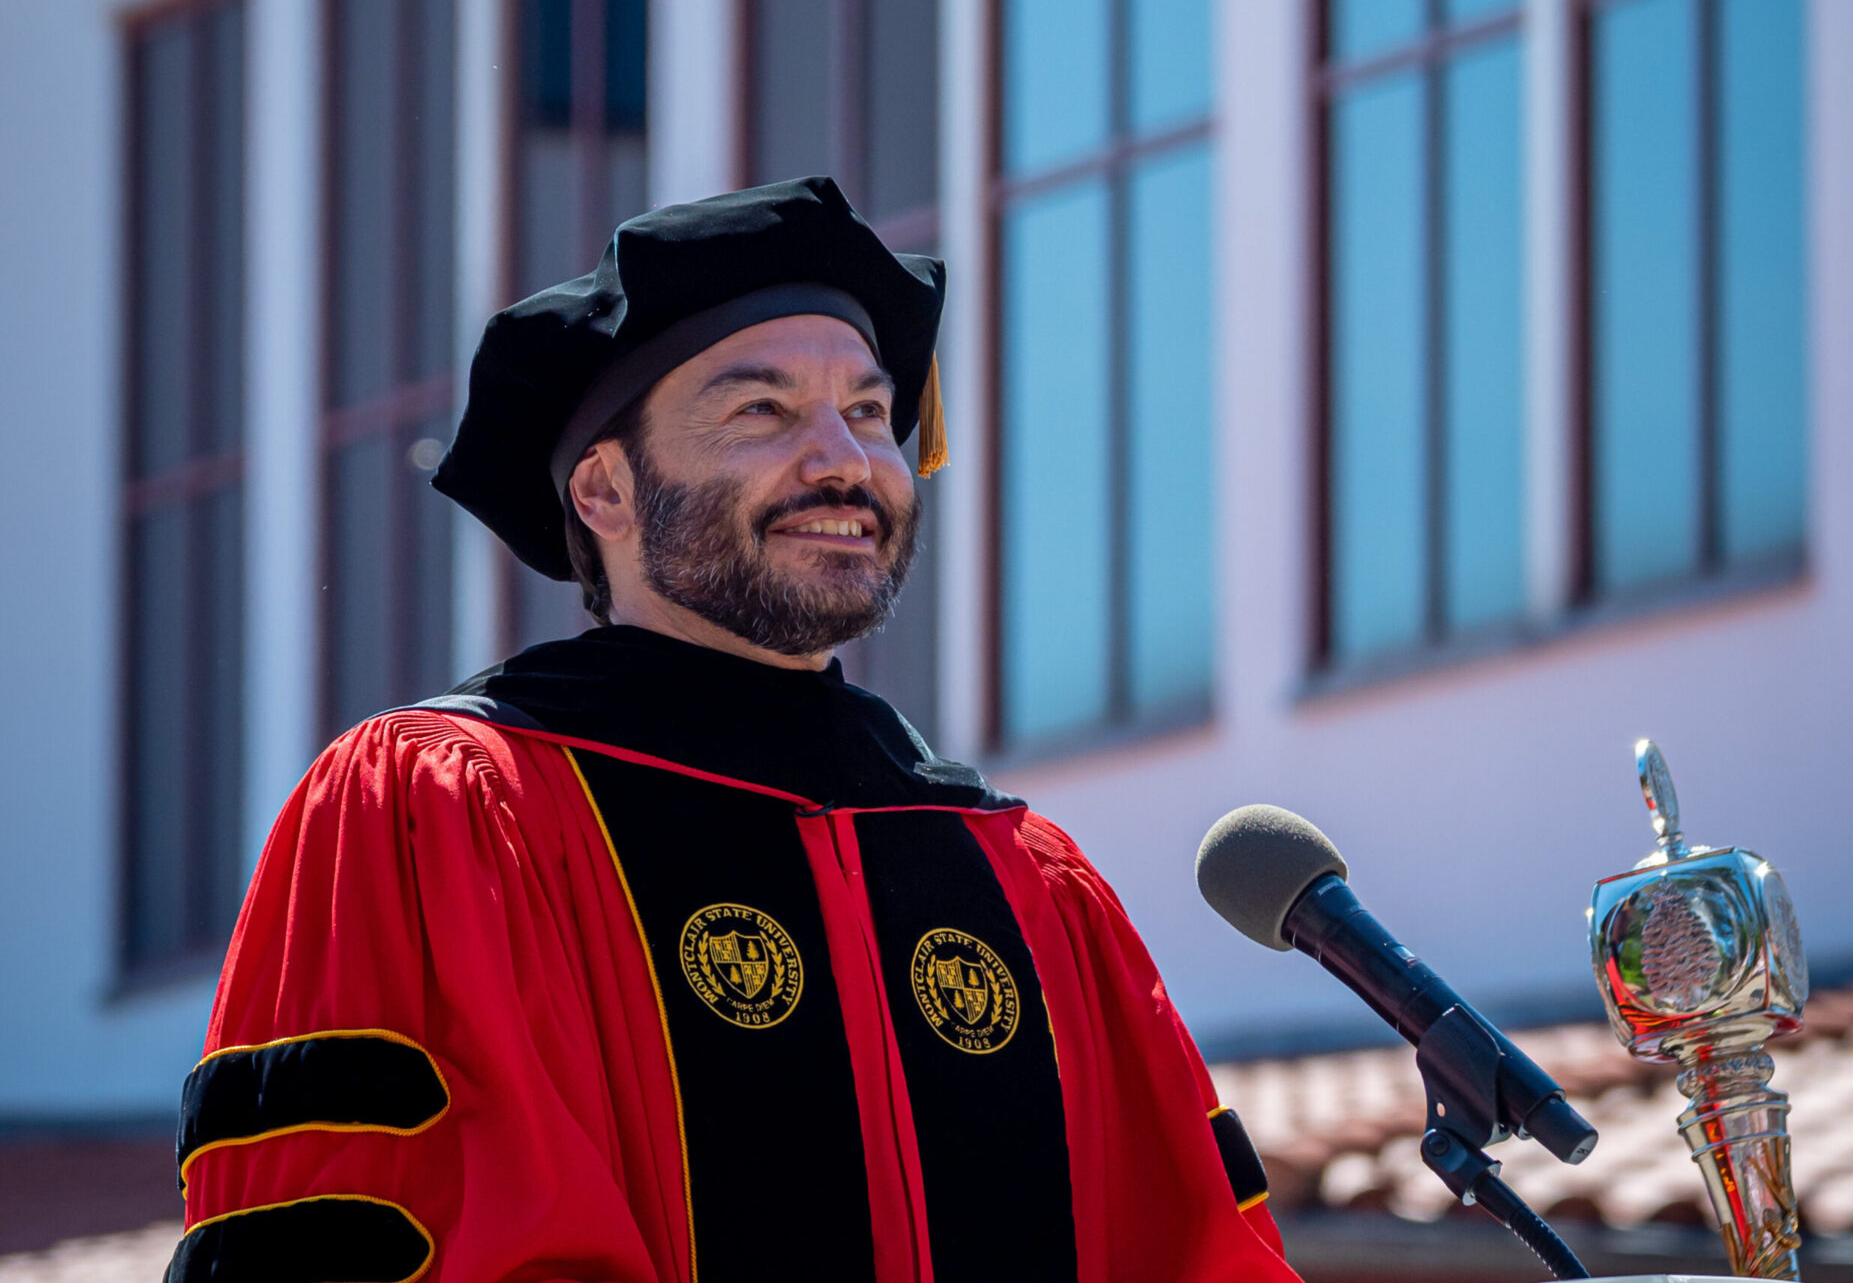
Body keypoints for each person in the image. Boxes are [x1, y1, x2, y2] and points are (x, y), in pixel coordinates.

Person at [168, 178, 1299, 1283]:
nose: (847, 461)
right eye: (762, 411)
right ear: (605, 493)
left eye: (867, 412)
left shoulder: (1016, 875)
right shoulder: (450, 809)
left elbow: (1197, 1248)